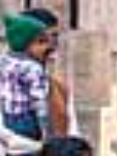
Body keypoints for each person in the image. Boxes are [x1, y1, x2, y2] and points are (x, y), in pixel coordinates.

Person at [0, 13, 54, 156]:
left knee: (12, 150)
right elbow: (39, 100)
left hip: (4, 116)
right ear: (26, 44)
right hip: (26, 117)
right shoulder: (32, 68)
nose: (48, 48)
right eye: (41, 42)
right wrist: (45, 127)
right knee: (30, 152)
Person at [21, 8, 78, 137]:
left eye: (54, 37)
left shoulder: (60, 89)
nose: (51, 46)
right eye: (41, 40)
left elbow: (70, 136)